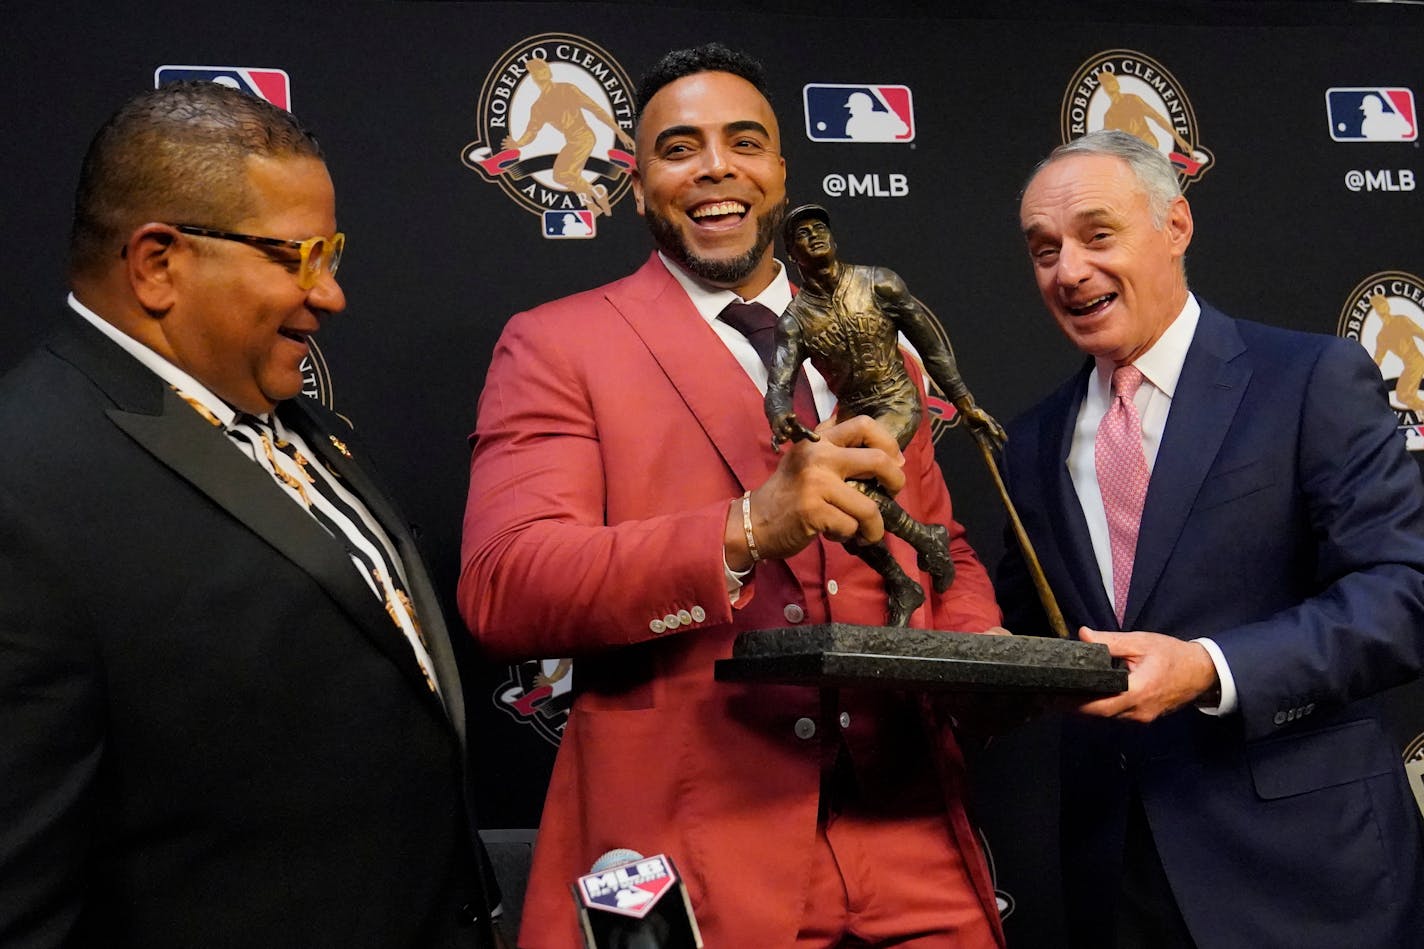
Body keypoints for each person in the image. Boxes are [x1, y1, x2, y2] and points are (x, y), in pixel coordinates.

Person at [461, 43, 1006, 949]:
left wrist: (981, 657)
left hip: (914, 831)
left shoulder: (874, 340)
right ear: (638, 186)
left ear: (782, 171)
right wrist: (748, 527)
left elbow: (942, 543)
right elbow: (507, 583)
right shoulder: (558, 345)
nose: (717, 166)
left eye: (744, 142)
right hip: (697, 845)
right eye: (681, 147)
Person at [0, 81, 503, 948]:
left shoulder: (289, 418)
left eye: (331, 254)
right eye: (295, 256)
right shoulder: (24, 478)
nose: (332, 294)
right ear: (159, 262)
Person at [997, 128, 1424, 948]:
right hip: (1115, 881)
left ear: (1176, 227)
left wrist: (1206, 667)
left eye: (1097, 235)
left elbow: (1399, 596)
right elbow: (1022, 634)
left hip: (1308, 879)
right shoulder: (1032, 442)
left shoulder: (1309, 380)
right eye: (1044, 250)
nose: (1069, 270)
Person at [769, 203, 1005, 624]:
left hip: (896, 401)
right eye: (802, 235)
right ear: (793, 254)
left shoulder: (879, 284)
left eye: (820, 228)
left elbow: (932, 347)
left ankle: (919, 547)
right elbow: (779, 386)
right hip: (851, 415)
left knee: (850, 490)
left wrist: (966, 404)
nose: (815, 236)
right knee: (837, 508)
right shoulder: (796, 320)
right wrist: (780, 416)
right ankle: (902, 578)